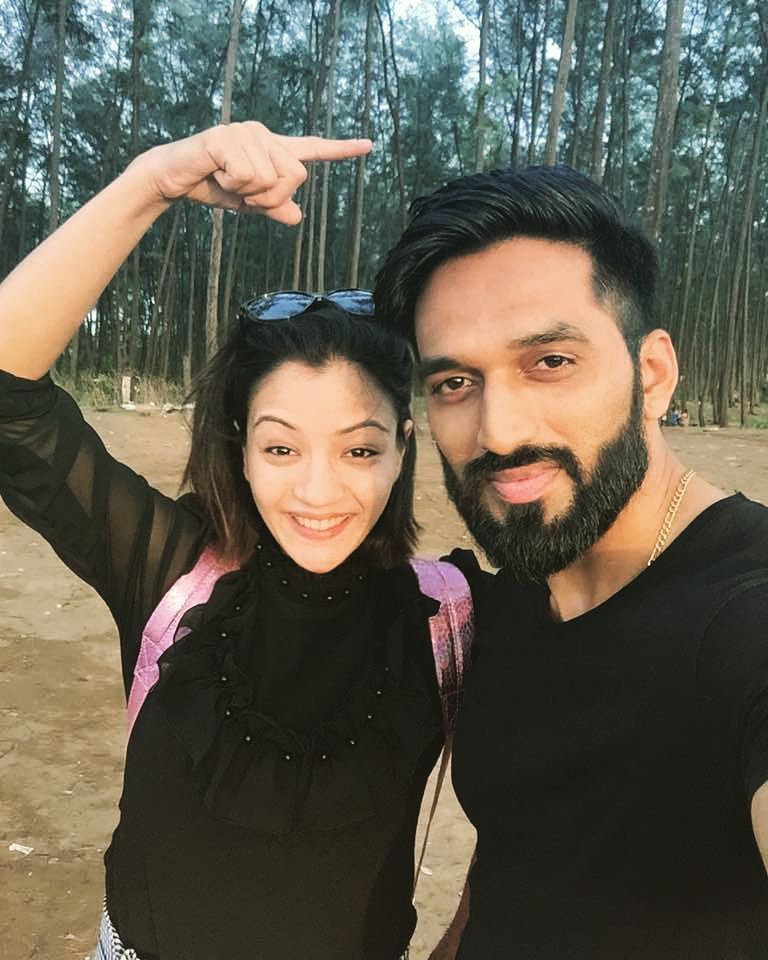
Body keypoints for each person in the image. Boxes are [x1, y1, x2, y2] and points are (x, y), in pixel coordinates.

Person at [0, 122, 472, 960]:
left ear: (404, 447)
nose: (318, 492)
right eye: (282, 448)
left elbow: (549, 812)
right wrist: (151, 180)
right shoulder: (168, 571)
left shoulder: (452, 619)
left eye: (359, 451)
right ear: (240, 448)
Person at [374, 165, 768, 959]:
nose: (498, 430)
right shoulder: (515, 594)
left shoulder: (745, 619)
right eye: (455, 381)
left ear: (653, 376)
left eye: (549, 361)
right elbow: (517, 859)